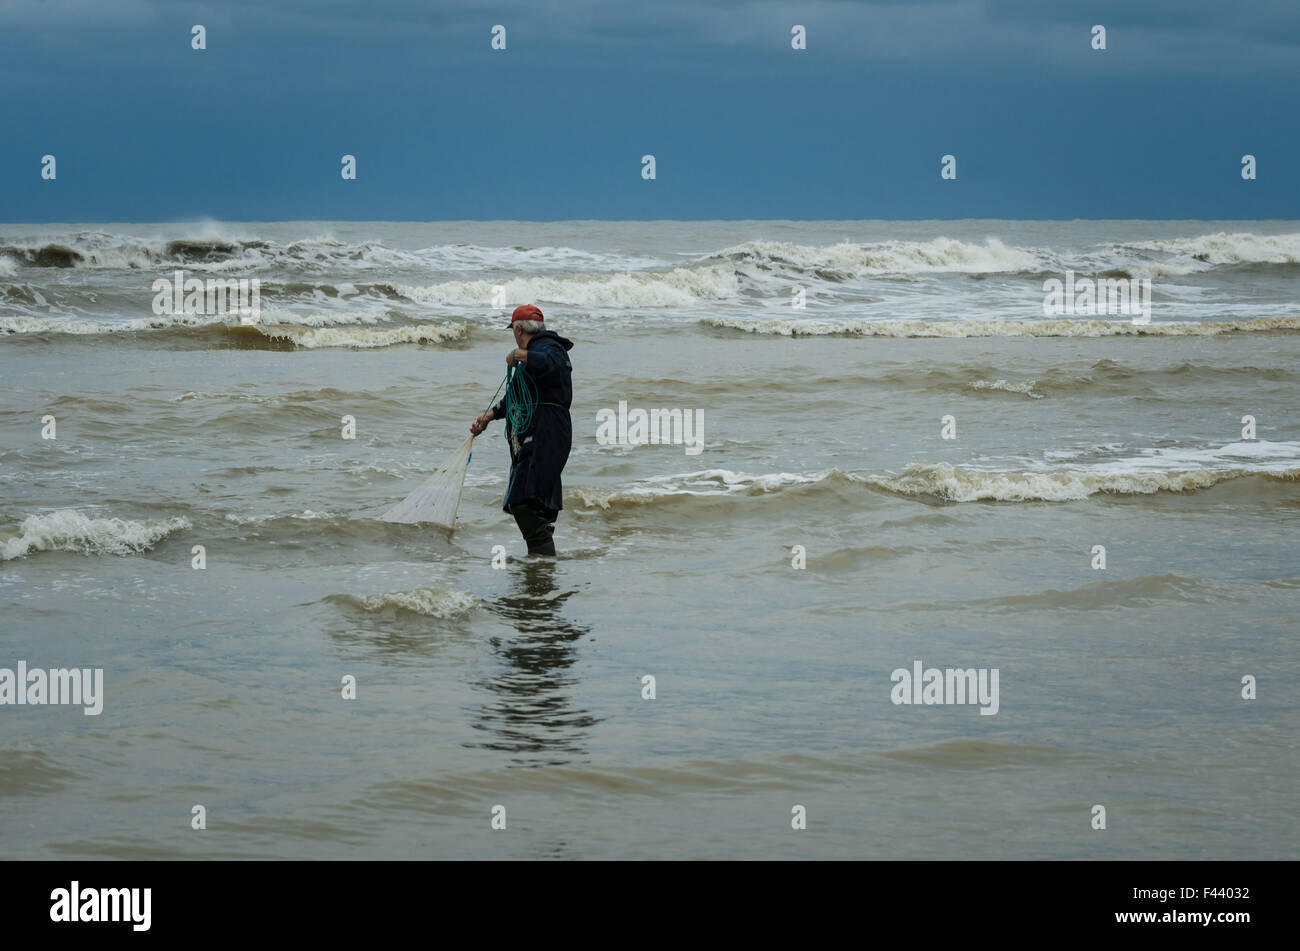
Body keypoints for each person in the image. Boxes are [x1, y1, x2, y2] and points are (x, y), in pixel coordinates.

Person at [470, 305, 574, 556]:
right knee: (539, 503)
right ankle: (541, 570)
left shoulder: (550, 347)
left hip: (547, 428)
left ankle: (541, 561)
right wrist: (489, 416)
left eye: (513, 331)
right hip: (540, 428)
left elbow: (555, 363)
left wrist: (520, 355)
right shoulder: (534, 352)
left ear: (518, 328)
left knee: (521, 500)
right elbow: (516, 396)